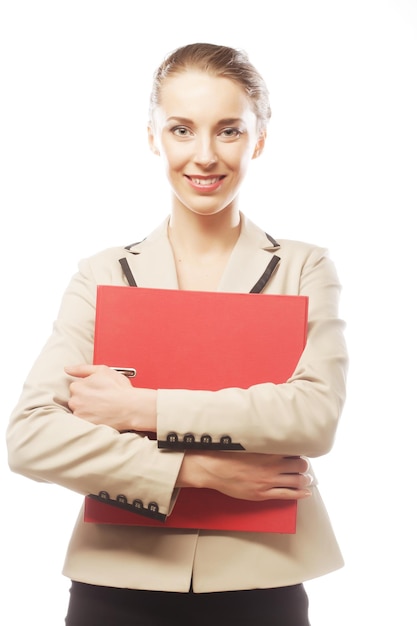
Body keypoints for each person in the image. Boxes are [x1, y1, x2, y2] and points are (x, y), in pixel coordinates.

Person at [6, 42, 348, 625]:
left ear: (259, 139)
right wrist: (198, 470)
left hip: (259, 579)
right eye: (182, 129)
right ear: (153, 136)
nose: (205, 155)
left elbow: (313, 415)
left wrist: (141, 406)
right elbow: (32, 437)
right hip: (115, 580)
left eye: (230, 131)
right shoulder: (103, 273)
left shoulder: (302, 267)